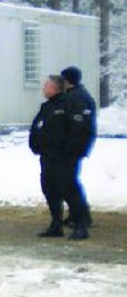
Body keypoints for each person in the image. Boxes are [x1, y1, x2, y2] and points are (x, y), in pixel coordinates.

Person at [29, 74, 90, 240]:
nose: (43, 88)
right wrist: (35, 145)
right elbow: (38, 127)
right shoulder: (47, 107)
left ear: (55, 87)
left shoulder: (69, 104)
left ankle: (81, 226)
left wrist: (70, 150)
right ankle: (56, 225)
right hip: (47, 157)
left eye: (46, 85)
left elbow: (79, 130)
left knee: (69, 190)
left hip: (64, 158)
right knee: (50, 189)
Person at [60, 66, 97, 232]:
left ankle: (82, 215)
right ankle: (77, 213)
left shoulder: (77, 98)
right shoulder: (78, 96)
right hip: (77, 145)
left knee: (69, 181)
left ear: (67, 80)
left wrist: (69, 146)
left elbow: (79, 125)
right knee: (69, 180)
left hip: (74, 147)